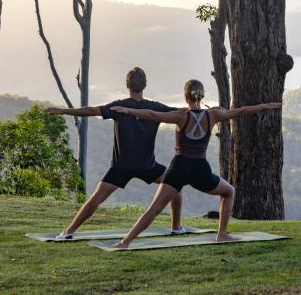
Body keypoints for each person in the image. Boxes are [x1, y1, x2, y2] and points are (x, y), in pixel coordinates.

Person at [110, 79, 282, 247]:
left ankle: (125, 242)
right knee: (229, 192)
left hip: (179, 168)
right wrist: (265, 106)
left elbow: (153, 115)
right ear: (201, 96)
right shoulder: (213, 115)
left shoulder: (181, 116)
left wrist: (128, 110)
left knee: (154, 209)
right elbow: (240, 111)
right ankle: (221, 235)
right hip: (200, 169)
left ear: (186, 97)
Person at [46, 67, 186, 239]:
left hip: (121, 166)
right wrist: (212, 112)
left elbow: (91, 111)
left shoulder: (120, 106)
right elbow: (182, 112)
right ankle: (176, 227)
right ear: (145, 85)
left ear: (127, 84)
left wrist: (62, 111)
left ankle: (68, 232)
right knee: (176, 186)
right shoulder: (155, 107)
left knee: (96, 199)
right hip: (147, 165)